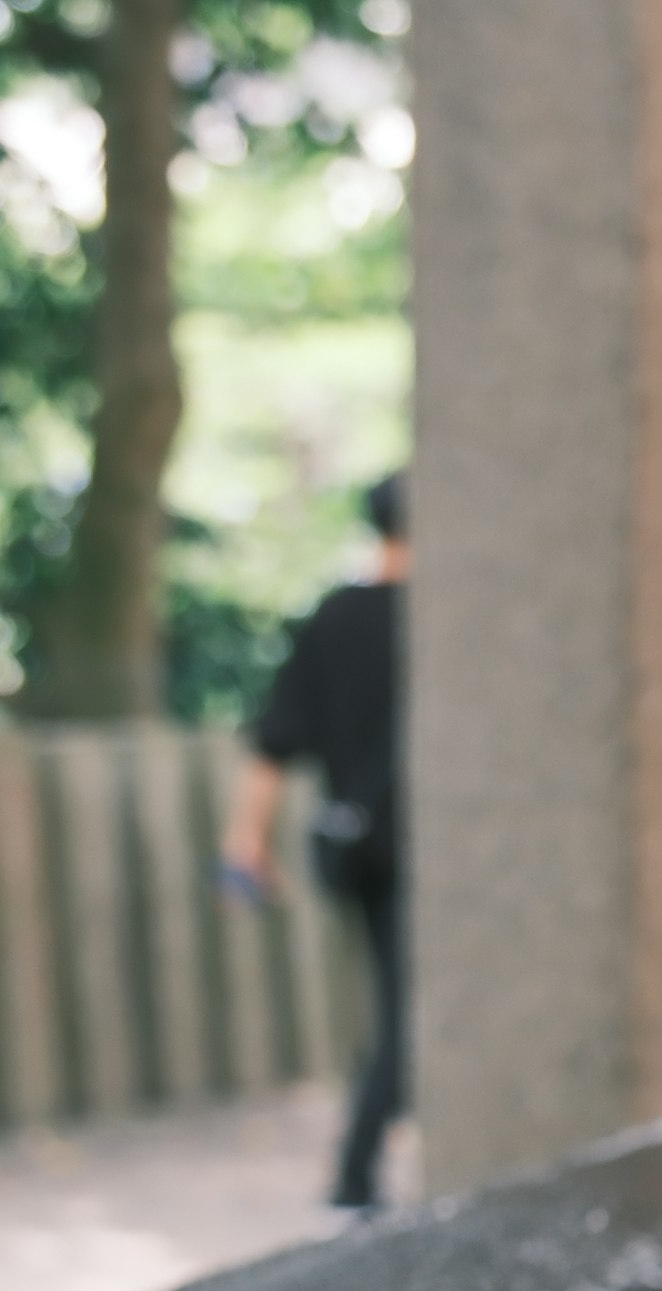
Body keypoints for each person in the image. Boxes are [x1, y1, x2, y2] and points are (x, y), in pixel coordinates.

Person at [224, 470, 408, 1212]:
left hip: (350, 850)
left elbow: (273, 746)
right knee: (414, 1014)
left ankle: (357, 1174)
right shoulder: (445, 619)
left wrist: (245, 845)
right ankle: (354, 1177)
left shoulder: (335, 616)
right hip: (420, 852)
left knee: (400, 1004)